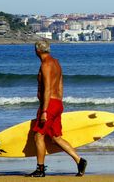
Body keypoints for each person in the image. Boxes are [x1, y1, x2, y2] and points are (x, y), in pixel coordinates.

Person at [26, 40, 87, 177]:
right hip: (57, 103)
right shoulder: (56, 63)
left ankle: (40, 169)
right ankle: (79, 160)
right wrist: (59, 101)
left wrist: (45, 111)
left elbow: (47, 88)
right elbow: (60, 84)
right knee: (55, 137)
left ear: (37, 50)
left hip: (49, 105)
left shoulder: (46, 65)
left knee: (38, 135)